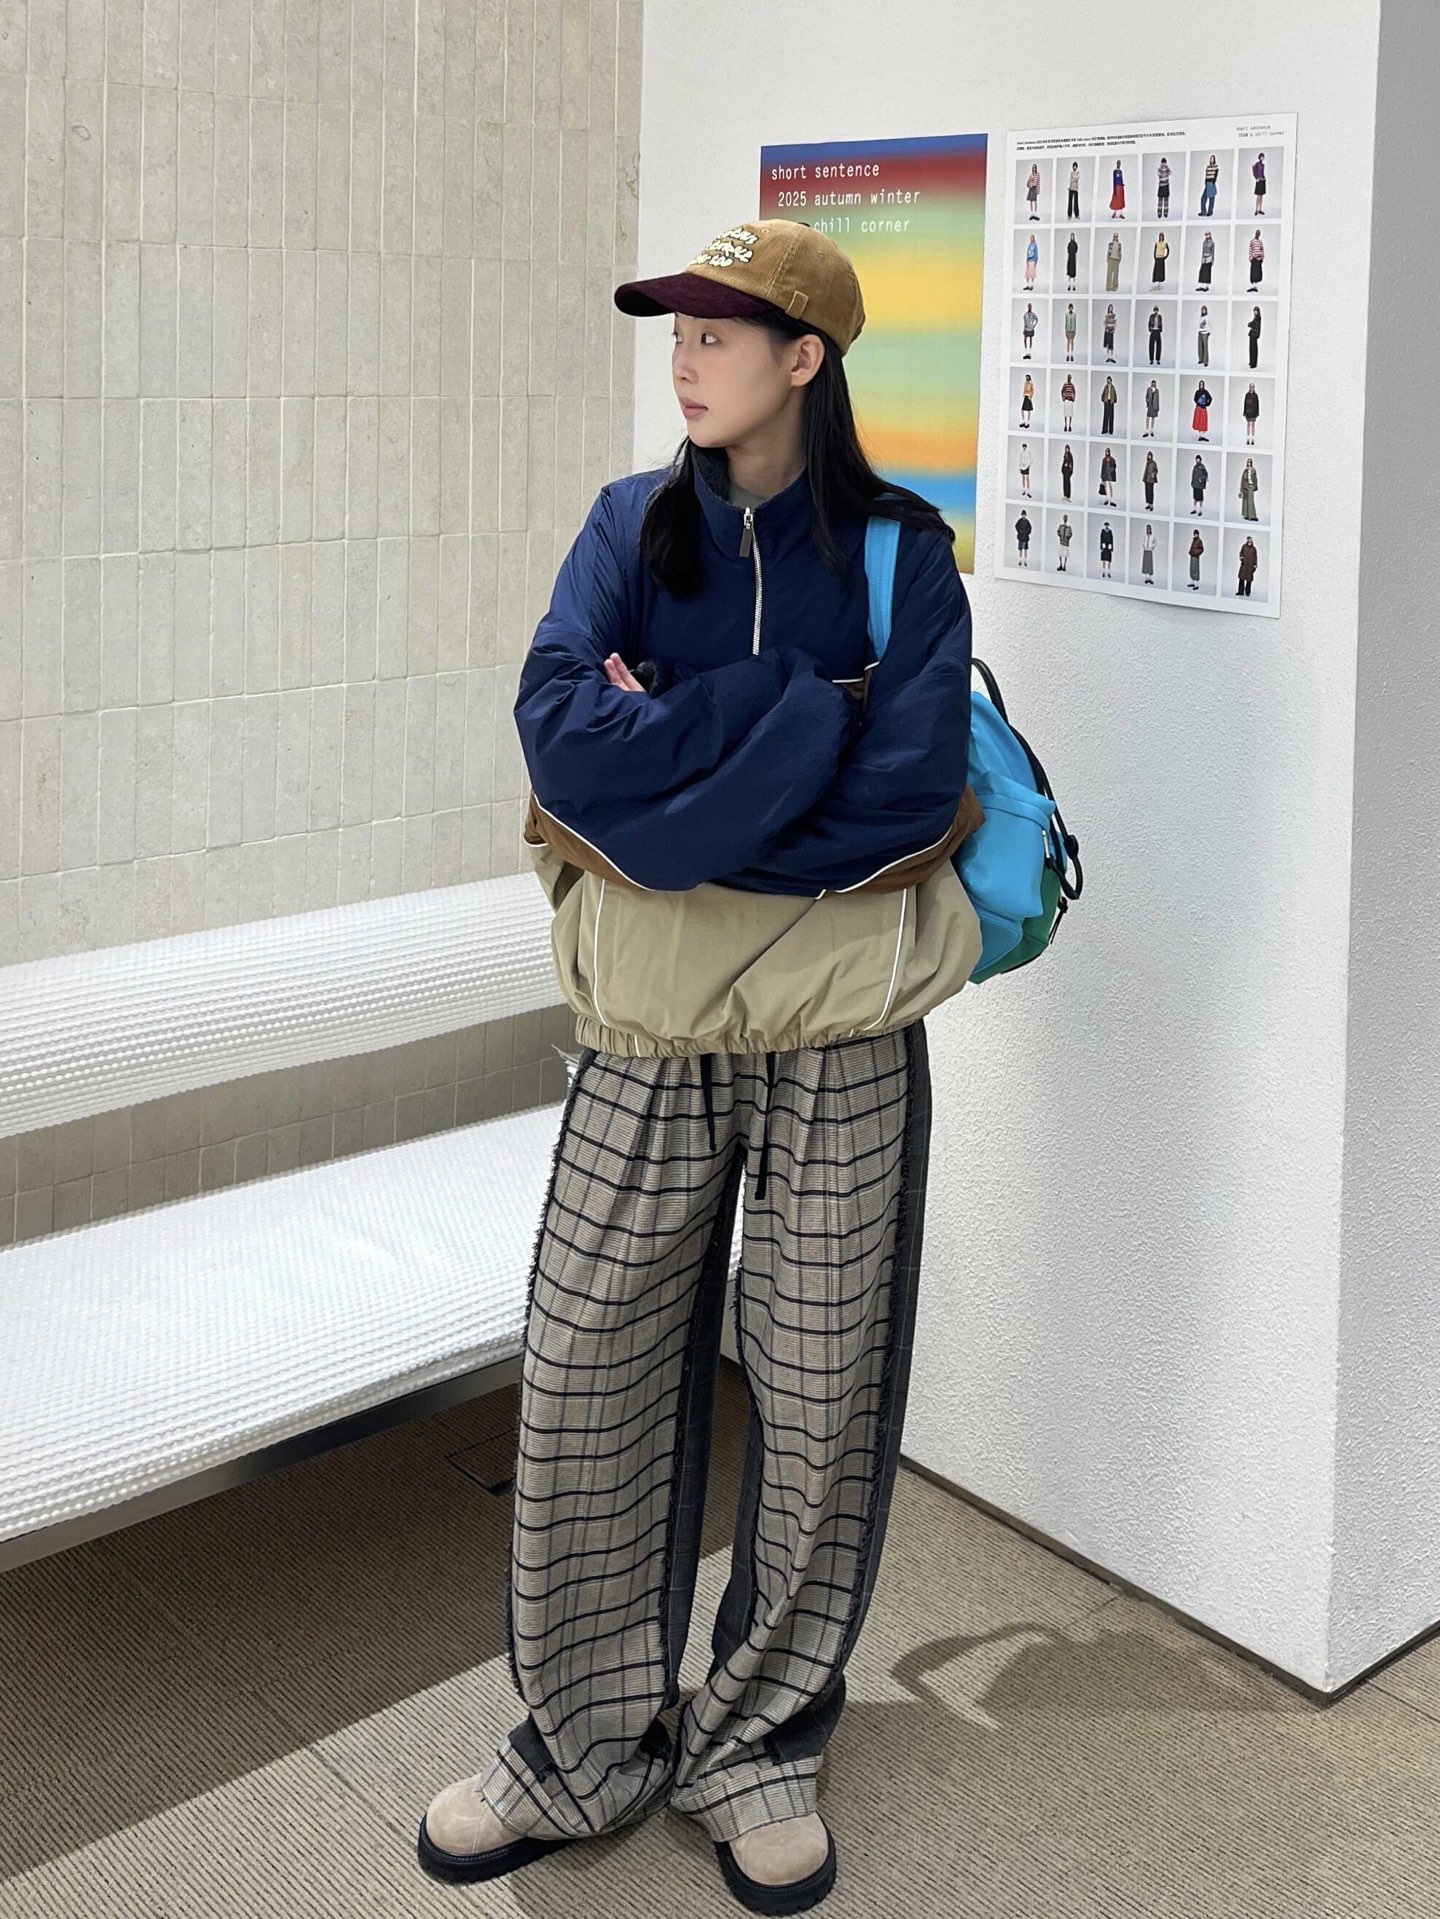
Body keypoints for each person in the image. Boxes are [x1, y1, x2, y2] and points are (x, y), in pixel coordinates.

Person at [421, 218, 985, 1910]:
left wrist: (674, 775)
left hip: (843, 1034)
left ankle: (757, 1739)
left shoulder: (901, 556)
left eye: (719, 331)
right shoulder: (627, 527)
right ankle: (577, 1743)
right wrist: (800, 714)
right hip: (647, 1031)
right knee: (587, 1367)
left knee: (819, 1392)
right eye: (675, 329)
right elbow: (557, 737)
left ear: (806, 358)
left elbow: (908, 795)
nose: (684, 356)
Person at [1199, 153, 1219, 217]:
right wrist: (1205, 182)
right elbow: (1206, 175)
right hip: (1207, 183)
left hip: (1211, 183)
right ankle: (1203, 212)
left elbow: (1216, 175)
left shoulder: (1216, 166)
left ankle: (1210, 212)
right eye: (1211, 158)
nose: (1211, 160)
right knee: (1203, 198)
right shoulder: (1208, 167)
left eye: (1212, 159)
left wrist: (1213, 181)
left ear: (1214, 159)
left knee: (1211, 198)